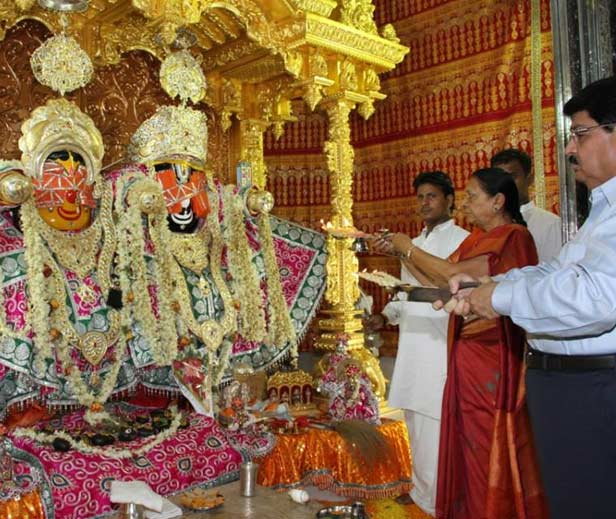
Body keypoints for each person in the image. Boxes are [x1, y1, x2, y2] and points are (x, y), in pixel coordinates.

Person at [443, 76, 616, 519]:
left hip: (592, 387)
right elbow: (558, 272)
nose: (571, 149)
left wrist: (497, 298)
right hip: (569, 385)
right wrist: (492, 289)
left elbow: (596, 299)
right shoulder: (603, 209)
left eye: (580, 134)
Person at [375, 168, 546, 519]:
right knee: (464, 439)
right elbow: (442, 282)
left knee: (487, 441)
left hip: (491, 357)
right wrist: (404, 255)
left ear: (498, 201)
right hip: (465, 353)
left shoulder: (513, 237)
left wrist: (407, 248)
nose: (466, 205)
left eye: (472, 197)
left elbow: (454, 277)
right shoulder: (476, 240)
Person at [369, 171, 468, 515]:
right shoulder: (412, 243)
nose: (424, 203)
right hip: (413, 342)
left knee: (434, 424)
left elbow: (451, 288)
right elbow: (404, 293)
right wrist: (385, 316)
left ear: (450, 200)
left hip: (440, 342)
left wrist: (407, 254)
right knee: (414, 418)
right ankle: (422, 489)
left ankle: (435, 501)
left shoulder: (461, 240)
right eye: (420, 197)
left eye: (432, 196)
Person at [491, 149, 562, 262]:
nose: (505, 185)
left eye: (512, 177)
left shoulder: (549, 224)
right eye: (499, 179)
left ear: (529, 179)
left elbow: (554, 273)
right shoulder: (488, 225)